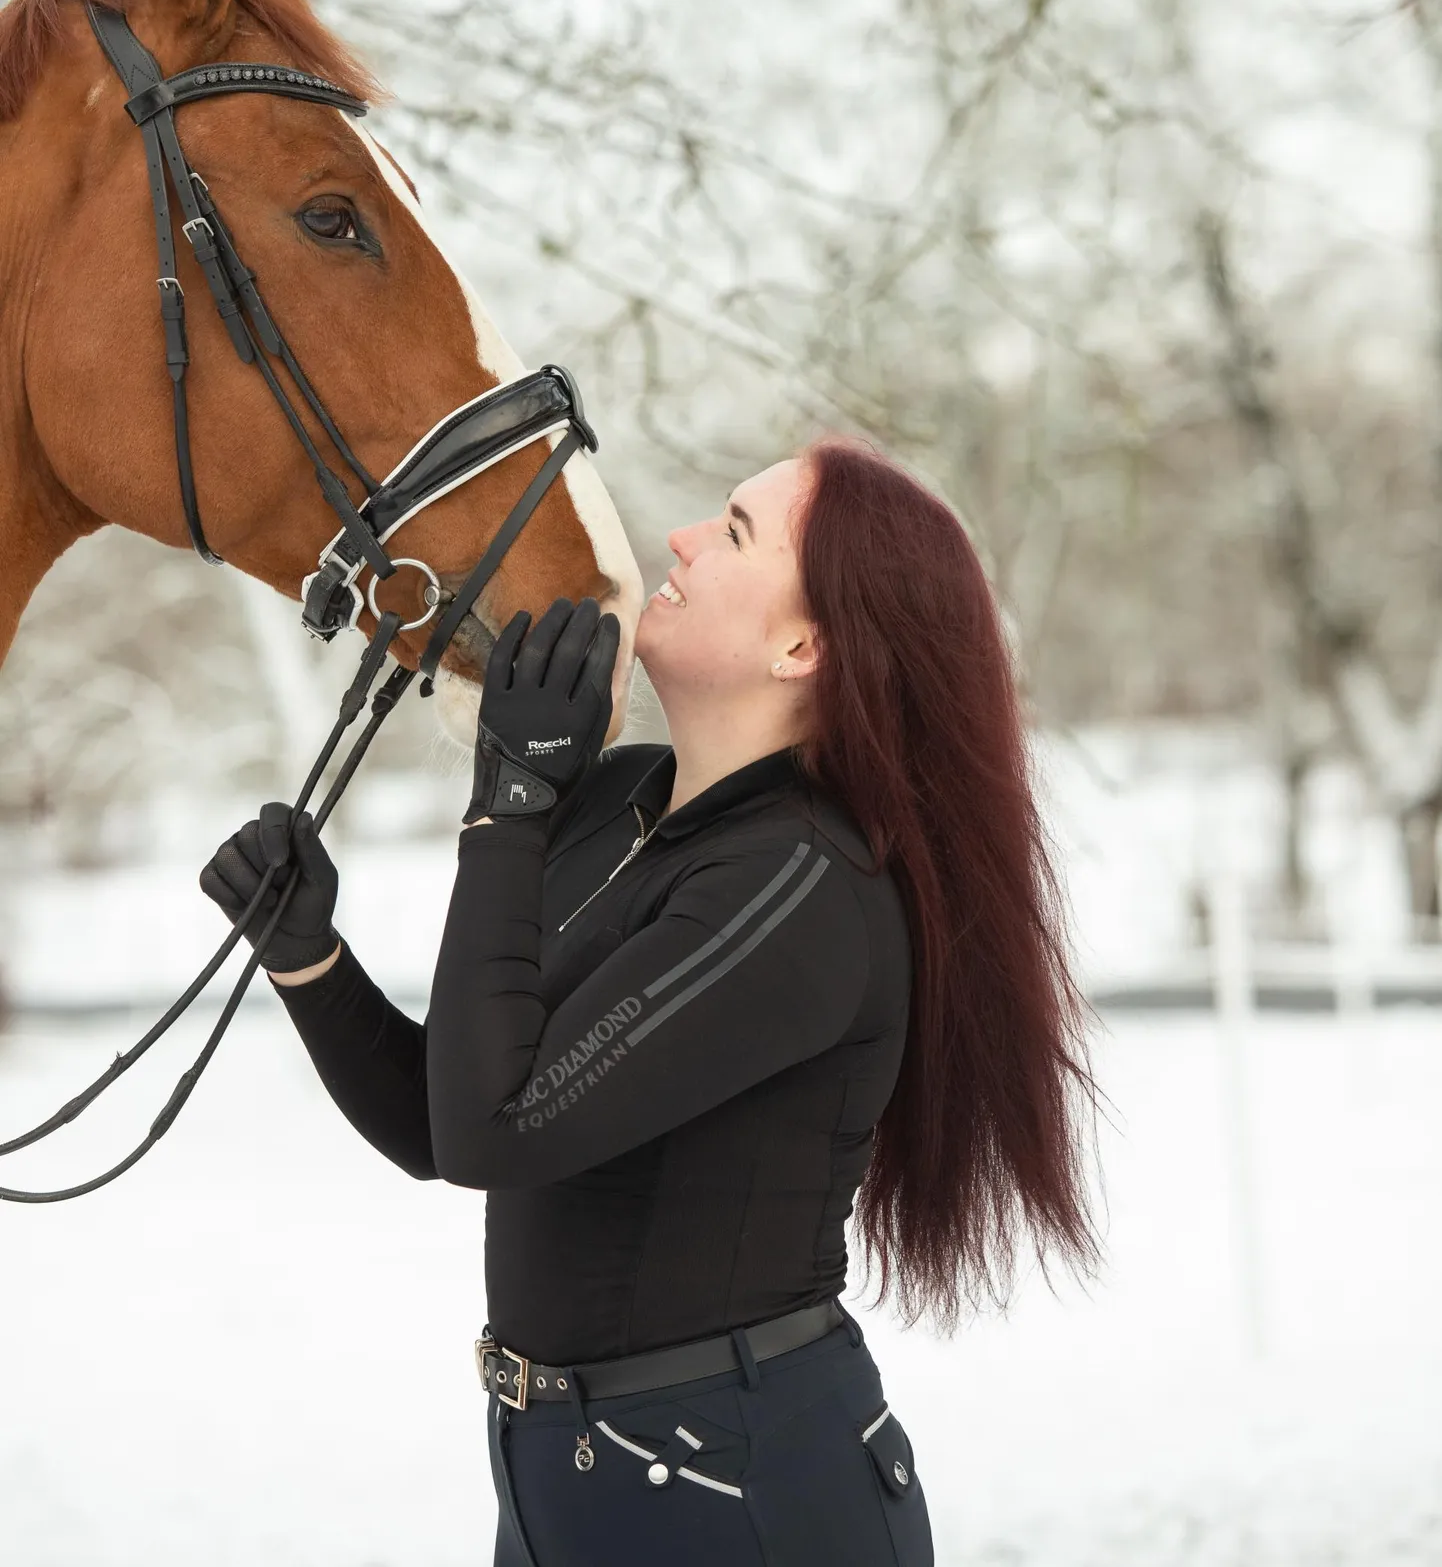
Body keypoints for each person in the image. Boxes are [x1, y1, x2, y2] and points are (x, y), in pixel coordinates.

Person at [200, 436, 1098, 1567]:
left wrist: (511, 805)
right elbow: (451, 1120)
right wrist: (309, 959)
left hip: (729, 1489)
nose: (678, 535)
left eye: (731, 531)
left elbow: (493, 1128)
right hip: (563, 1479)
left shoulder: (797, 885)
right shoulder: (624, 800)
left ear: (798, 644)